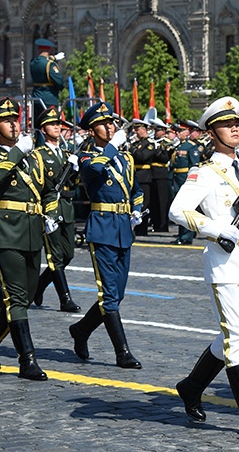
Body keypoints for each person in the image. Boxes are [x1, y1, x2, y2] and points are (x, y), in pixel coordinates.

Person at [170, 96, 239, 436]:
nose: (235, 129)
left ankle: (191, 386)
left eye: (238, 124)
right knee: (238, 341)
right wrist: (216, 229)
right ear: (211, 132)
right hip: (223, 260)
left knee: (233, 336)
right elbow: (178, 211)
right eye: (226, 125)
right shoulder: (203, 173)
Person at [0, 97, 56, 381]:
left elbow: (49, 188)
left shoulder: (34, 157)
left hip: (34, 231)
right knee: (16, 298)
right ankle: (27, 360)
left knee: (27, 296)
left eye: (15, 120)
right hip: (7, 232)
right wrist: (17, 153)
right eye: (6, 121)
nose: (13, 125)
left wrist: (51, 213)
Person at [68, 102, 145, 369]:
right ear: (91, 130)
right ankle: (122, 352)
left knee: (117, 295)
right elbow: (97, 169)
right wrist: (114, 146)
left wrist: (136, 210)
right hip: (102, 228)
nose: (110, 127)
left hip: (124, 227)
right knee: (109, 294)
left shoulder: (126, 158)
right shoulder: (87, 157)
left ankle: (81, 330)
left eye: (111, 123)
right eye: (103, 124)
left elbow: (136, 190)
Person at [32, 106, 81, 312]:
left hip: (67, 207)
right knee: (55, 256)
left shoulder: (67, 153)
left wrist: (75, 170)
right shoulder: (39, 155)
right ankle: (65, 299)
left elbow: (75, 184)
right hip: (50, 208)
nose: (57, 127)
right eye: (52, 124)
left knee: (68, 254)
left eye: (58, 124)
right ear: (43, 129)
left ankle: (39, 285)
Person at [170, 120, 202, 246]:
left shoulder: (191, 146)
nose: (178, 134)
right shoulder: (181, 145)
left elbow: (194, 165)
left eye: (180, 131)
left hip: (185, 179)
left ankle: (187, 236)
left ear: (187, 132)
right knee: (179, 207)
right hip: (178, 178)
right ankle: (181, 234)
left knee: (186, 208)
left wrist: (191, 182)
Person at [29, 38, 65, 113]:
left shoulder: (33, 62)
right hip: (49, 99)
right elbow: (59, 82)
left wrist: (53, 58)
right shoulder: (50, 64)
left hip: (36, 98)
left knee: (37, 122)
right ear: (49, 50)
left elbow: (41, 60)